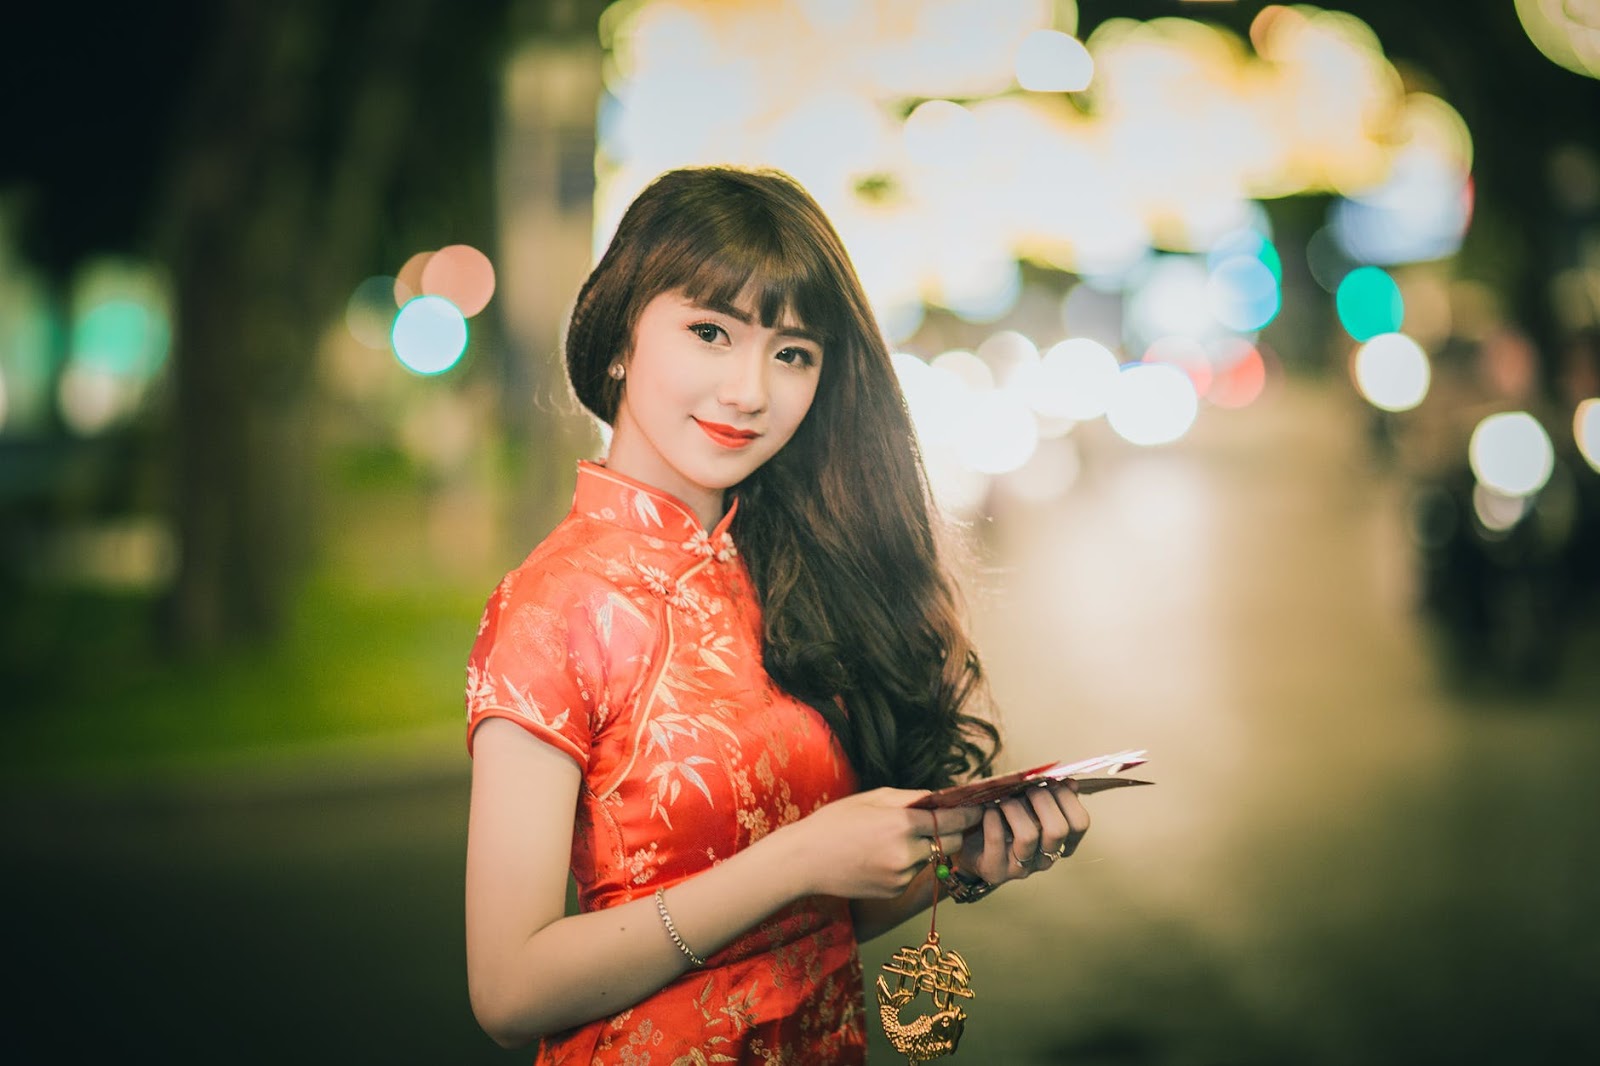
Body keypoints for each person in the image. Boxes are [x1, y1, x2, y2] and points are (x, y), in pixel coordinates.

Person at [463, 165, 1091, 1062]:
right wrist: (797, 858)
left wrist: (959, 860)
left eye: (793, 352)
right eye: (710, 332)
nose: (749, 390)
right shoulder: (552, 607)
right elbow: (508, 990)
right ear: (619, 339)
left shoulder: (788, 573)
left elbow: (802, 929)